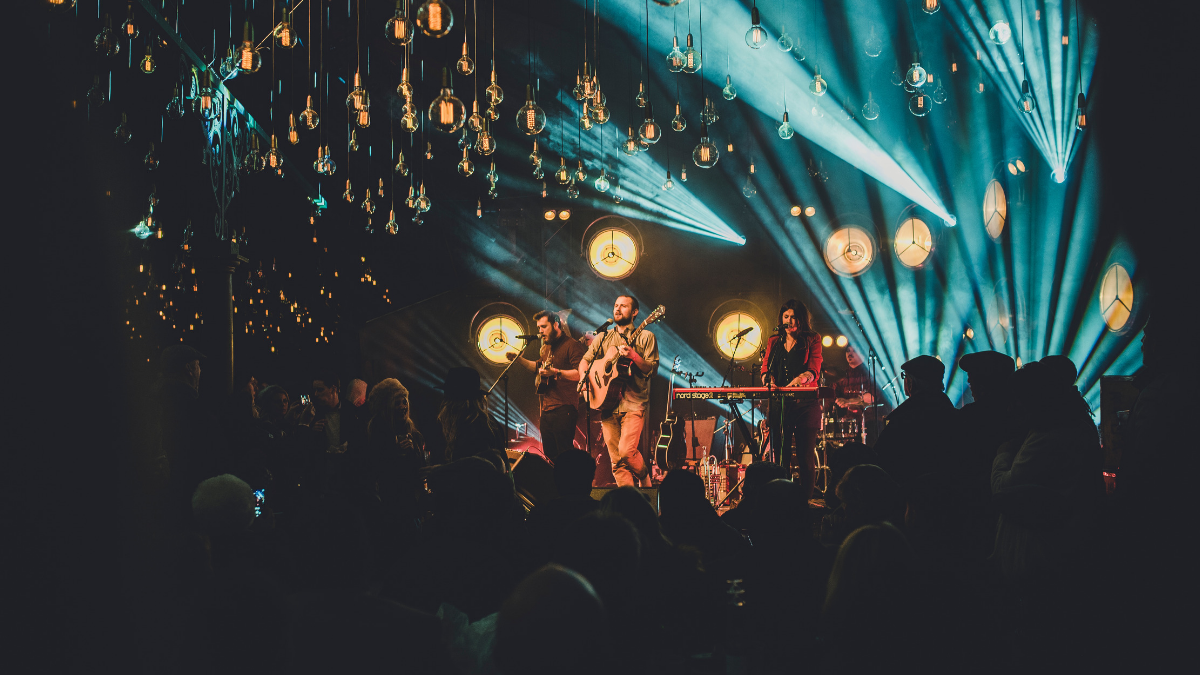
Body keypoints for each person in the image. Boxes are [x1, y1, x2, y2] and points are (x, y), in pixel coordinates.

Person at [577, 295, 660, 487]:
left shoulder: (646, 336)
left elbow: (652, 369)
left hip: (633, 403)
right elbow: (585, 361)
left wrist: (634, 356)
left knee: (626, 452)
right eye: (615, 305)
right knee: (616, 461)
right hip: (607, 405)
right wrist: (584, 378)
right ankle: (628, 500)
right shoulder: (603, 337)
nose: (617, 309)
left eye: (623, 306)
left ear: (635, 312)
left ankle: (644, 478)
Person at [759, 299, 823, 498]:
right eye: (786, 316)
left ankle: (805, 500)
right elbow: (765, 367)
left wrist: (801, 379)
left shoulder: (813, 339)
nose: (789, 321)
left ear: (801, 319)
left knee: (805, 457)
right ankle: (782, 499)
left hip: (806, 405)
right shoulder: (774, 341)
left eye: (793, 317)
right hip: (780, 405)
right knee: (780, 457)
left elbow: (814, 368)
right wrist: (767, 378)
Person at [507, 310, 586, 461]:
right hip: (547, 408)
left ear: (556, 325)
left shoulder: (572, 345)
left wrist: (556, 372)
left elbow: (580, 373)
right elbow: (538, 367)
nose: (540, 331)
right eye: (538, 328)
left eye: (544, 327)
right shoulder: (547, 347)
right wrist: (518, 359)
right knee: (549, 454)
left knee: (564, 453)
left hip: (565, 407)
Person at [872, 355, 958, 489]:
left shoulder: (901, 419)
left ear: (911, 383)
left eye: (905, 376)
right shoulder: (954, 415)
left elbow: (881, 459)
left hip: (910, 493)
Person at [437, 367, 507, 471]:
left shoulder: (471, 427)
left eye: (447, 396)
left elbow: (472, 472)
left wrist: (442, 471)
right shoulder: (489, 422)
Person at [832, 345, 890, 445]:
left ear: (862, 353)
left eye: (854, 351)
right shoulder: (841, 375)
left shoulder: (871, 373)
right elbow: (832, 394)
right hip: (849, 422)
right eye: (848, 351)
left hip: (870, 420)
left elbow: (871, 397)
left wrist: (848, 401)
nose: (849, 354)